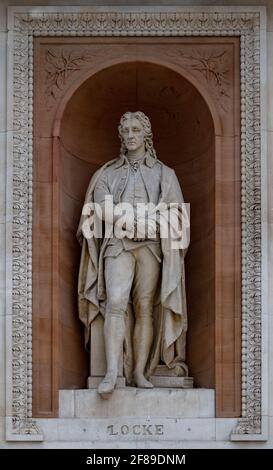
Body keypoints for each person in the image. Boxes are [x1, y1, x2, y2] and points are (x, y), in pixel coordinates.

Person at [77, 111, 190, 398]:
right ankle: (113, 372)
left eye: (136, 130)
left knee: (144, 307)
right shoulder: (107, 173)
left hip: (151, 245)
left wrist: (152, 224)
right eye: (125, 130)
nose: (130, 135)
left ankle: (140, 371)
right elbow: (99, 207)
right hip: (119, 243)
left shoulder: (165, 173)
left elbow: (178, 214)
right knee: (115, 302)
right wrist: (131, 223)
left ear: (146, 134)